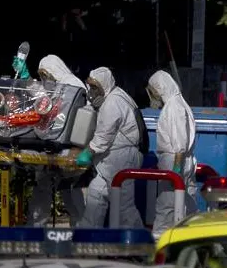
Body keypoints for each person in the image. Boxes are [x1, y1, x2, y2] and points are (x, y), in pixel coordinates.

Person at [75, 67, 144, 228]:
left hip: (120, 160)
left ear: (104, 86)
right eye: (90, 86)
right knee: (96, 194)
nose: (91, 91)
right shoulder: (117, 95)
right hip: (112, 160)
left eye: (94, 87)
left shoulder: (112, 103)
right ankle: (89, 234)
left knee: (123, 205)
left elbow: (104, 135)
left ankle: (137, 240)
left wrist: (89, 151)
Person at [25, 55, 86, 226]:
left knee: (68, 193)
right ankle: (36, 230)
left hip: (69, 149)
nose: (44, 80)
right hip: (60, 147)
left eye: (45, 76)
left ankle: (80, 233)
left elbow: (56, 118)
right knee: (50, 191)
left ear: (52, 72)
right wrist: (28, 80)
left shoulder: (71, 85)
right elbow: (44, 98)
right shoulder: (61, 84)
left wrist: (42, 130)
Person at [146, 70, 198, 239]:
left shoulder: (173, 107)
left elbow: (179, 144)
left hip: (175, 163)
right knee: (186, 207)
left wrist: (175, 168)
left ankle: (159, 244)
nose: (153, 95)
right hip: (183, 162)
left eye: (153, 91)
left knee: (166, 207)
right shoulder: (179, 103)